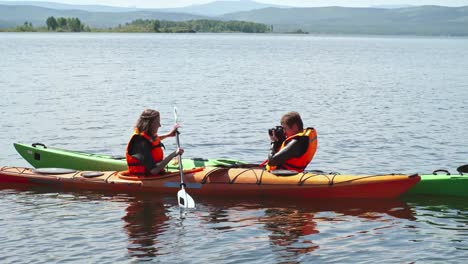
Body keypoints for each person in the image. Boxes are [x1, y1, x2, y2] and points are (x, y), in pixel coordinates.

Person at [126, 109, 184, 176]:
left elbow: (151, 142)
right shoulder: (140, 142)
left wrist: (169, 134)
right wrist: (174, 154)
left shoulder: (145, 137)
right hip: (146, 178)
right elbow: (153, 171)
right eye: (157, 122)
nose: (160, 125)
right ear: (148, 125)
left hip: (155, 175)